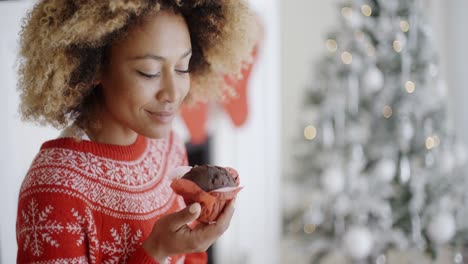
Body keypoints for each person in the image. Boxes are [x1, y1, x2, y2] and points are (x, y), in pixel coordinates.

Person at [15, 0, 258, 263]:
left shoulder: (168, 147)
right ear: (94, 67)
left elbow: (189, 258)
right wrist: (156, 250)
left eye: (182, 67)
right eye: (149, 72)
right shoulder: (54, 188)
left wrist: (196, 241)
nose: (174, 93)